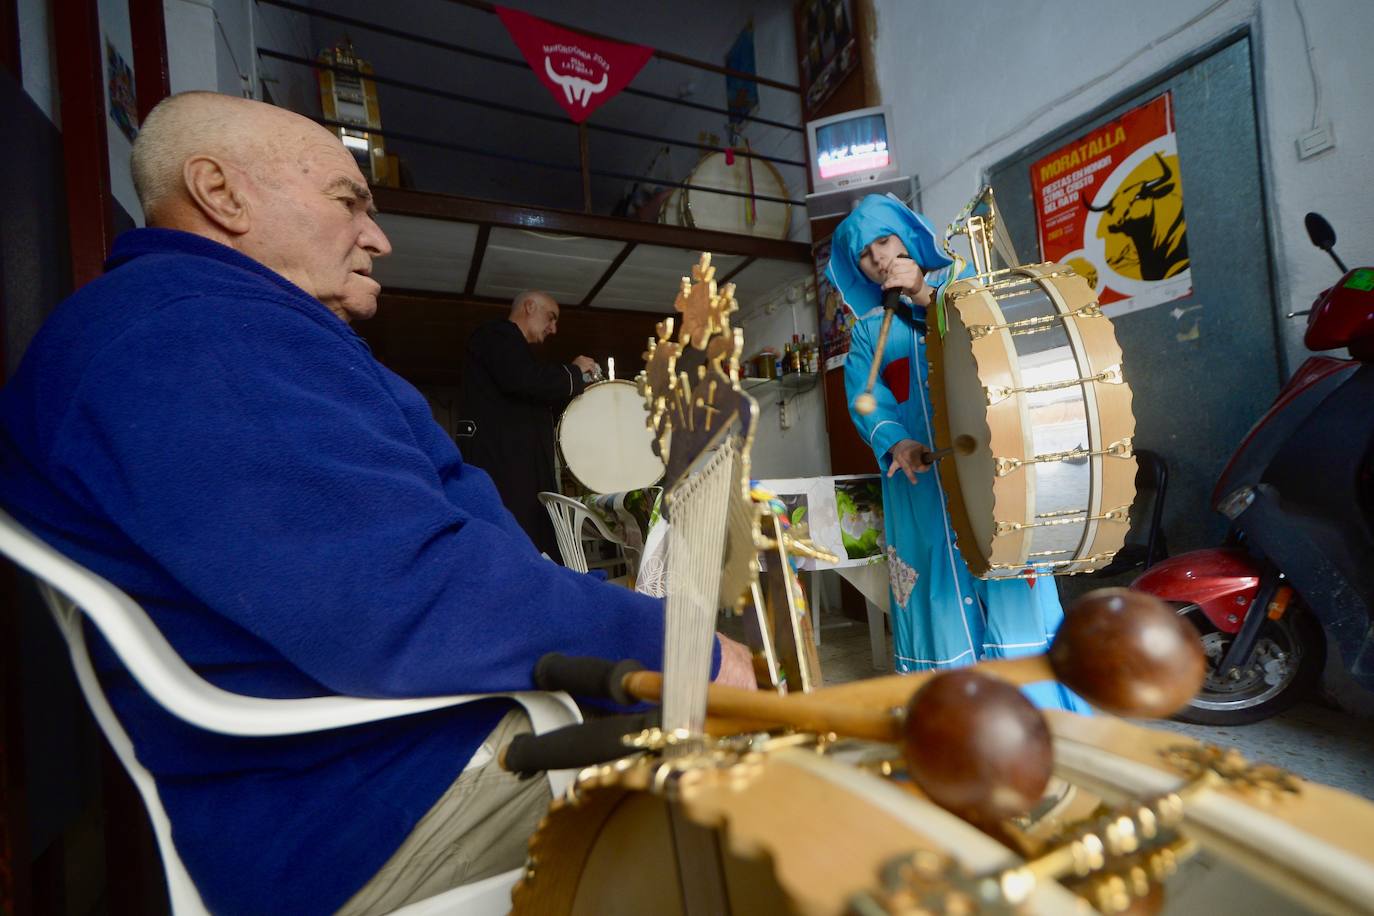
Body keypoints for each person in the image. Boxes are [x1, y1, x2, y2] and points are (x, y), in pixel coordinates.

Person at [0, 91, 753, 916]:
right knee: (778, 791)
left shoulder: (199, 327)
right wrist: (678, 649)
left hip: (372, 759)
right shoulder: (185, 334)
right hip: (380, 798)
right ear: (222, 194)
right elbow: (412, 596)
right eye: (347, 200)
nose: (378, 236)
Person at [829, 194, 1089, 713]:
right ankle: (954, 719)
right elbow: (868, 401)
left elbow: (992, 344)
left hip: (997, 476)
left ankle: (1040, 715)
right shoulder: (865, 334)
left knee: (1011, 580)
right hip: (919, 485)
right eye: (864, 255)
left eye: (884, 241)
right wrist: (896, 441)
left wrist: (924, 292)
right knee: (938, 593)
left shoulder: (973, 290)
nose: (878, 258)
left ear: (907, 237)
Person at [460, 291, 597, 561]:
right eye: (551, 317)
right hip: (503, 469)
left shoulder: (516, 351)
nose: (554, 329)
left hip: (519, 469)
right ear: (529, 306)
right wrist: (573, 371)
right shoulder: (496, 335)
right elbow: (523, 379)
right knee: (513, 545)